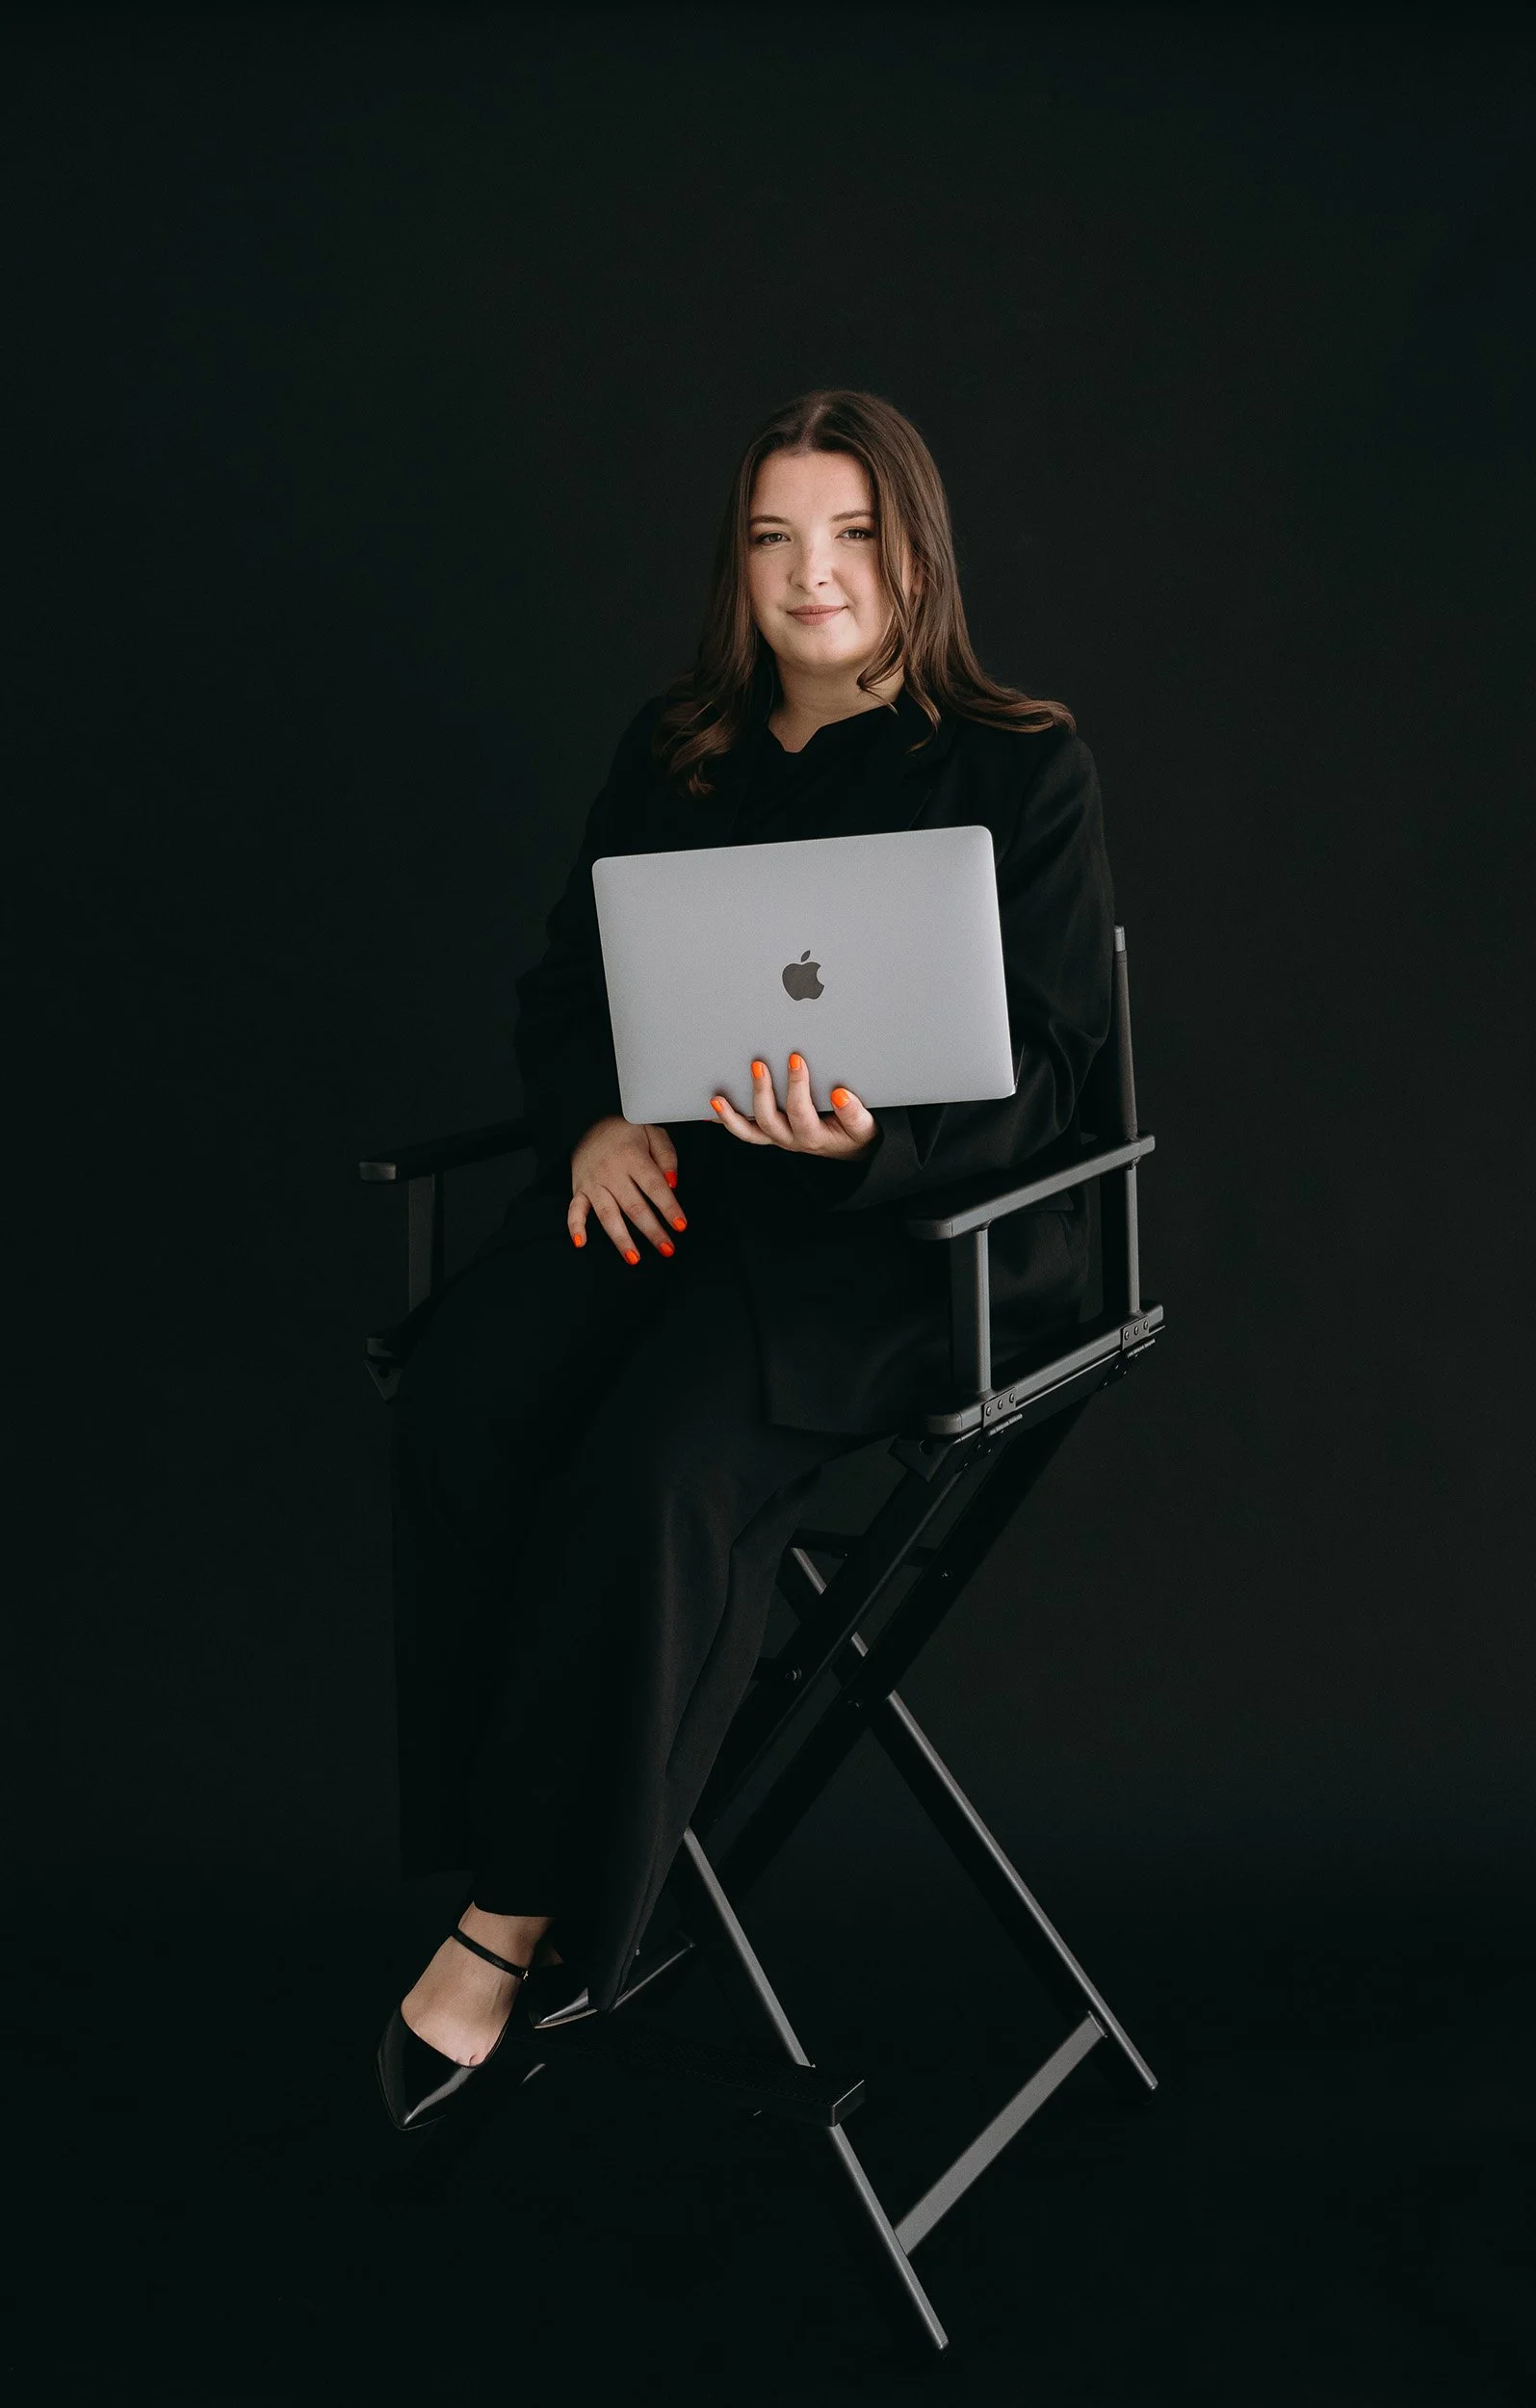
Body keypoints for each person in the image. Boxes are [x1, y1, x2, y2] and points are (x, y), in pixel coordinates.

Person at [377, 386, 1116, 2133]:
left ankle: (515, 1928)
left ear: (912, 549)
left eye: (853, 532)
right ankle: (515, 1828)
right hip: (682, 1200)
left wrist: (874, 1147)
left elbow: (1062, 1072)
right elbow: (572, 990)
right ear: (741, 564)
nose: (816, 573)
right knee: (466, 1397)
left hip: (894, 1244)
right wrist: (589, 1126)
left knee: (652, 1475)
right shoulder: (678, 749)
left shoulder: (1021, 762)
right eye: (778, 536)